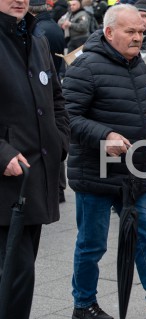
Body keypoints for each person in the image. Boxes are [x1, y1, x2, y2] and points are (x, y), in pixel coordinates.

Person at [62, 4, 146, 319]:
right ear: (110, 32)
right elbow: (68, 116)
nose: (139, 37)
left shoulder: (137, 64)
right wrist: (104, 135)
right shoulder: (84, 66)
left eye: (141, 31)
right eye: (131, 31)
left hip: (133, 172)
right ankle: (83, 306)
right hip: (94, 173)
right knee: (92, 244)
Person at [0, 0, 70, 316]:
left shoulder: (36, 37)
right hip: (6, 180)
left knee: (20, 274)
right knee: (14, 276)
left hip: (35, 177)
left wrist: (60, 140)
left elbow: (56, 96)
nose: (20, 0)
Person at [28, 0, 68, 203]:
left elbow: (57, 97)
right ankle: (58, 186)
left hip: (45, 88)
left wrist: (62, 139)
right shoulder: (53, 27)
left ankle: (57, 186)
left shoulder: (39, 34)